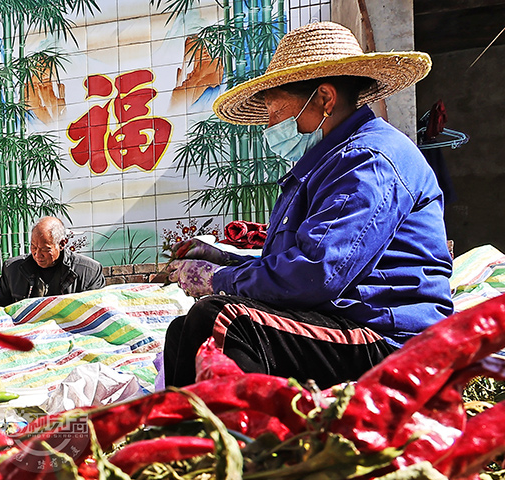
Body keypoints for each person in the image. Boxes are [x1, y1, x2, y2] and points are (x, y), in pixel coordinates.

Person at [162, 21, 453, 388]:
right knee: (181, 331)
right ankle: (182, 437)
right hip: (342, 321)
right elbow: (296, 259)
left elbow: (318, 271)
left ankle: (239, 440)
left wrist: (217, 279)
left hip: (388, 337)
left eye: (275, 114)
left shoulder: (369, 159)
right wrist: (223, 258)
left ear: (325, 99)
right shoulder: (328, 161)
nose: (270, 127)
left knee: (220, 319)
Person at [0, 216, 106, 313]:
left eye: (45, 249)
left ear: (62, 244)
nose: (37, 254)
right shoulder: (13, 269)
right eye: (33, 247)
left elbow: (97, 313)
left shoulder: (89, 272)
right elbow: (0, 304)